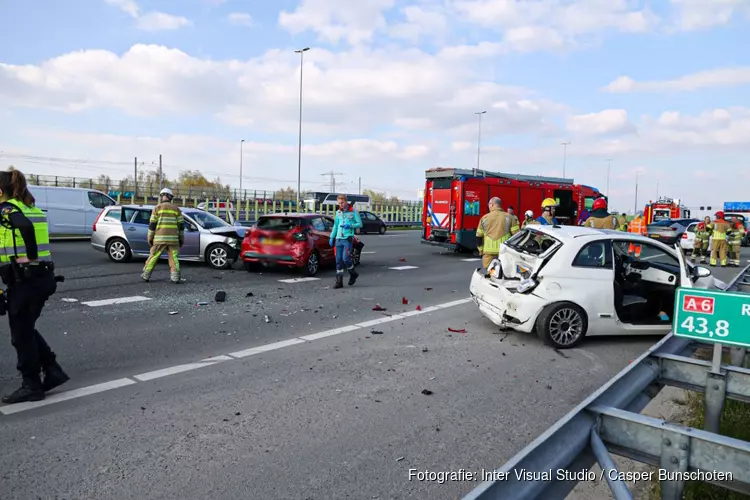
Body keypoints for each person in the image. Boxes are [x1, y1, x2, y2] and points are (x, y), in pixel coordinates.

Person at [0, 168, 68, 404]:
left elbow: (25, 229)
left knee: (20, 335)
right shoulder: (29, 206)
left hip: (26, 281)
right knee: (26, 328)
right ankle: (52, 369)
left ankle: (31, 385)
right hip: (40, 278)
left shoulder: (6, 209)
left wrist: (28, 257)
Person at [141, 188, 184, 283]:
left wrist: (150, 238)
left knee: (153, 256)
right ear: (170, 197)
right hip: (173, 239)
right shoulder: (177, 209)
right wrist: (181, 239)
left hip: (159, 239)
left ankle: (146, 275)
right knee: (174, 258)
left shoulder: (157, 208)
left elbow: (152, 226)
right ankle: (175, 277)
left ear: (162, 196)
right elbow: (181, 227)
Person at [329, 194, 363, 289]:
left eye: (342, 202)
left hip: (348, 238)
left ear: (346, 201)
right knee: (338, 261)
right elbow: (335, 226)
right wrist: (332, 237)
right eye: (339, 203)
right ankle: (339, 281)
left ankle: (353, 274)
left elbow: (360, 224)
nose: (341, 205)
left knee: (346, 258)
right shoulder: (338, 213)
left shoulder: (354, 212)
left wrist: (351, 226)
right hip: (339, 239)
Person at [476, 197, 518, 268]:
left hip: (488, 253)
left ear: (492, 205)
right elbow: (516, 235)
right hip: (504, 252)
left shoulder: (484, 218)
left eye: (489, 204)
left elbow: (479, 237)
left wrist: (481, 250)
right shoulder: (510, 217)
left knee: (489, 274)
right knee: (504, 273)